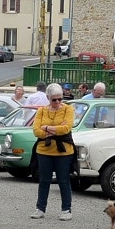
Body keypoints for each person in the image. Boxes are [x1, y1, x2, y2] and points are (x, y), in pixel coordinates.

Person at [30, 83, 75, 221]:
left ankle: (66, 209)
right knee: (44, 180)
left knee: (63, 180)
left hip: (64, 152)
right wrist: (53, 130)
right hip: (44, 150)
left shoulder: (68, 110)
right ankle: (40, 208)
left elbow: (66, 129)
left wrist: (47, 127)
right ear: (48, 97)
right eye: (54, 99)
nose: (57, 102)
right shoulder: (42, 111)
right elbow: (36, 131)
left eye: (60, 99)